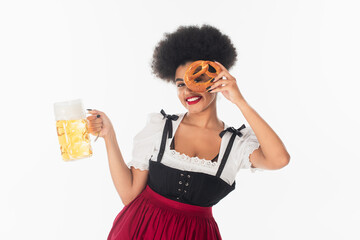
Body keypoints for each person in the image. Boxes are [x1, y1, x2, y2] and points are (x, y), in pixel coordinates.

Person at [87, 24, 290, 240]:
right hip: (140, 229)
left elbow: (279, 159)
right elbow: (129, 195)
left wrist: (239, 101)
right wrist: (109, 136)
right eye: (180, 84)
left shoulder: (236, 145)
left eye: (197, 80)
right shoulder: (160, 128)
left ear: (216, 78)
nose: (187, 91)